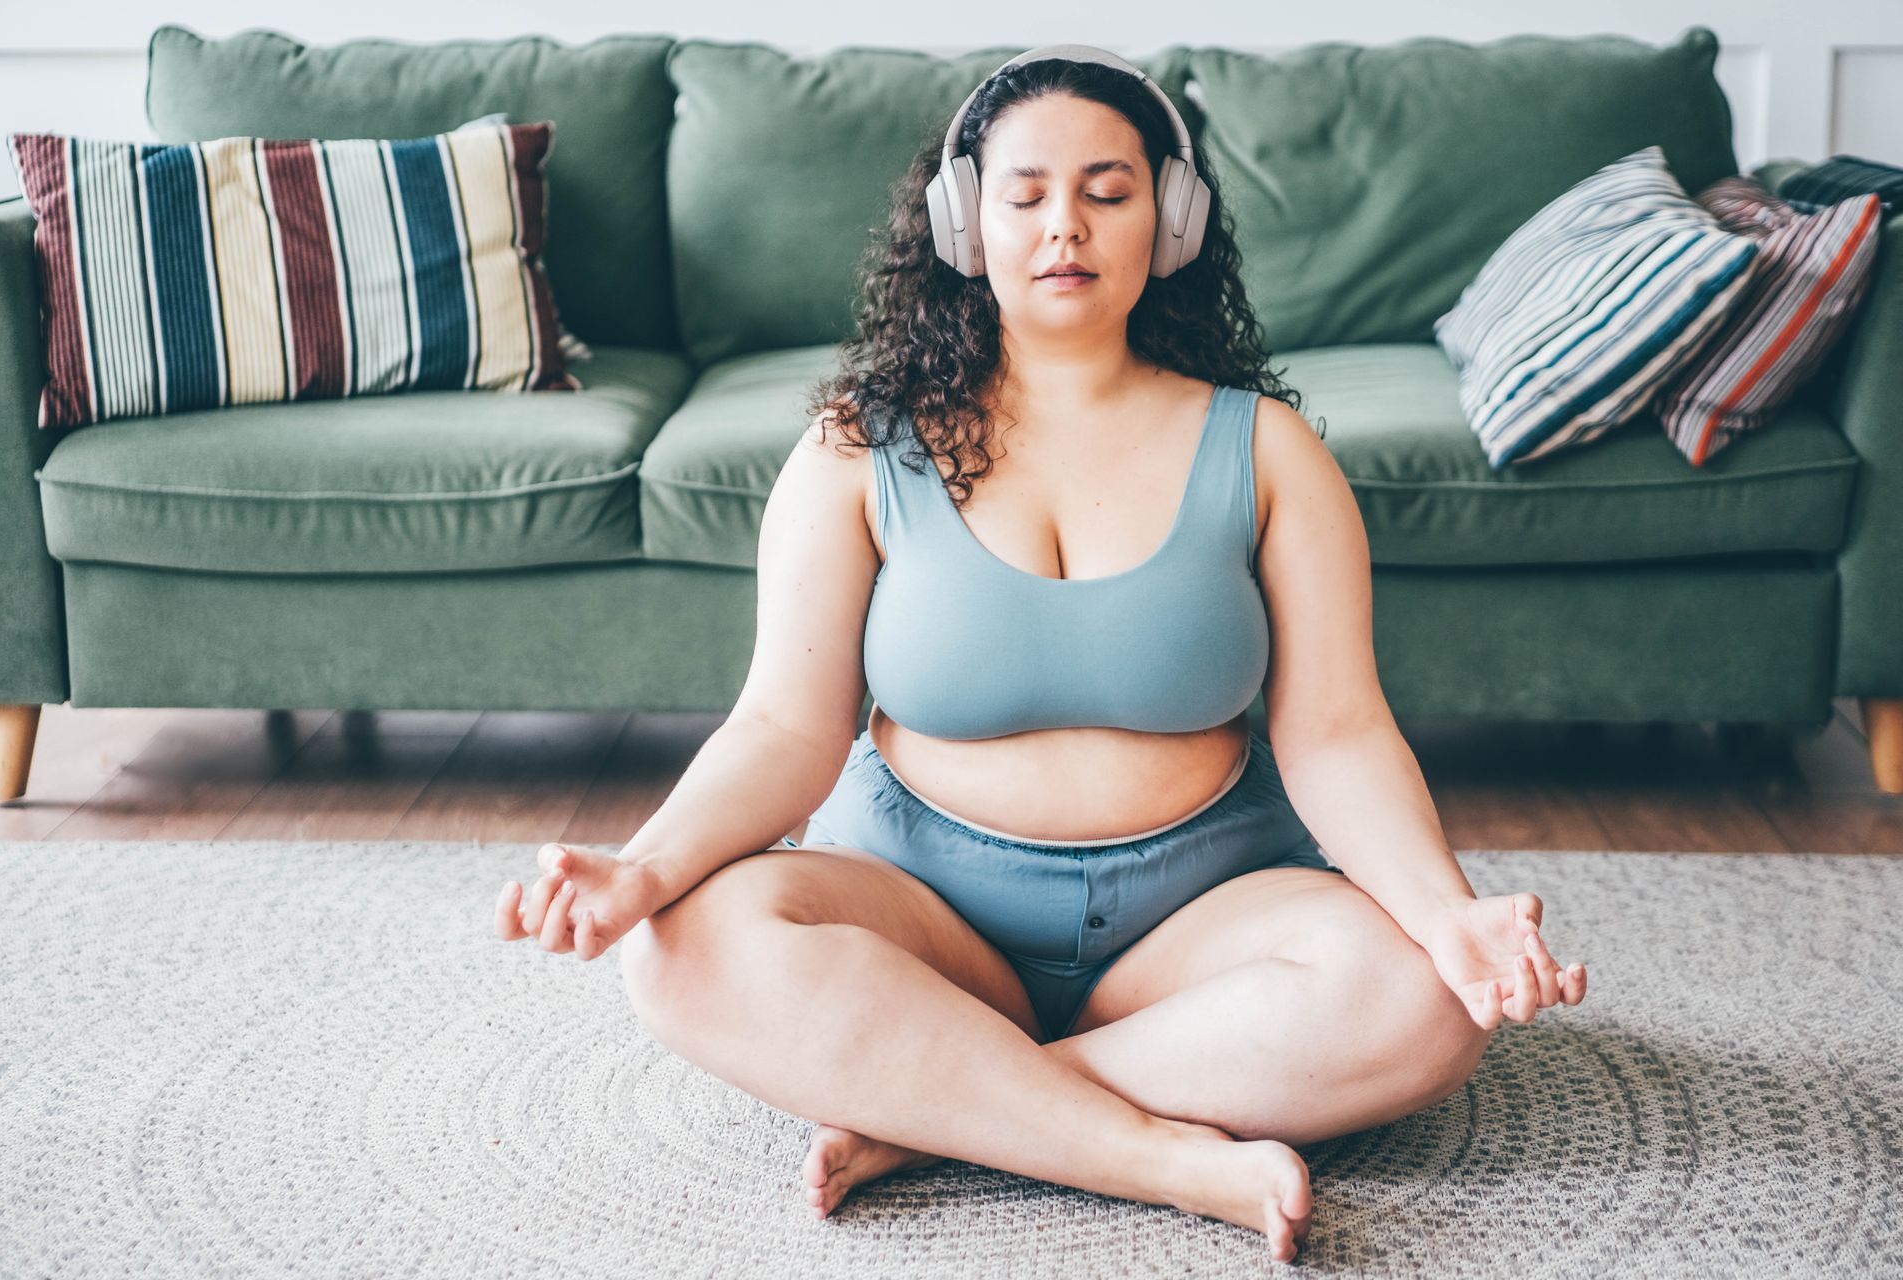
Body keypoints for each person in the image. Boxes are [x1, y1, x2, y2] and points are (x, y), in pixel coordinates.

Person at [491, 44, 1587, 1264]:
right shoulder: (856, 447)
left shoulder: (1273, 451)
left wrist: (1446, 914)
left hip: (1200, 912)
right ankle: (1154, 1153)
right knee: (683, 949)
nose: (1064, 225)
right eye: (1024, 195)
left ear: (1170, 218)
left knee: (1431, 1000)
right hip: (925, 912)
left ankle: (943, 1109)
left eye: (1108, 191)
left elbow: (1336, 730)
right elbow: (782, 729)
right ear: (965, 221)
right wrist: (642, 870)